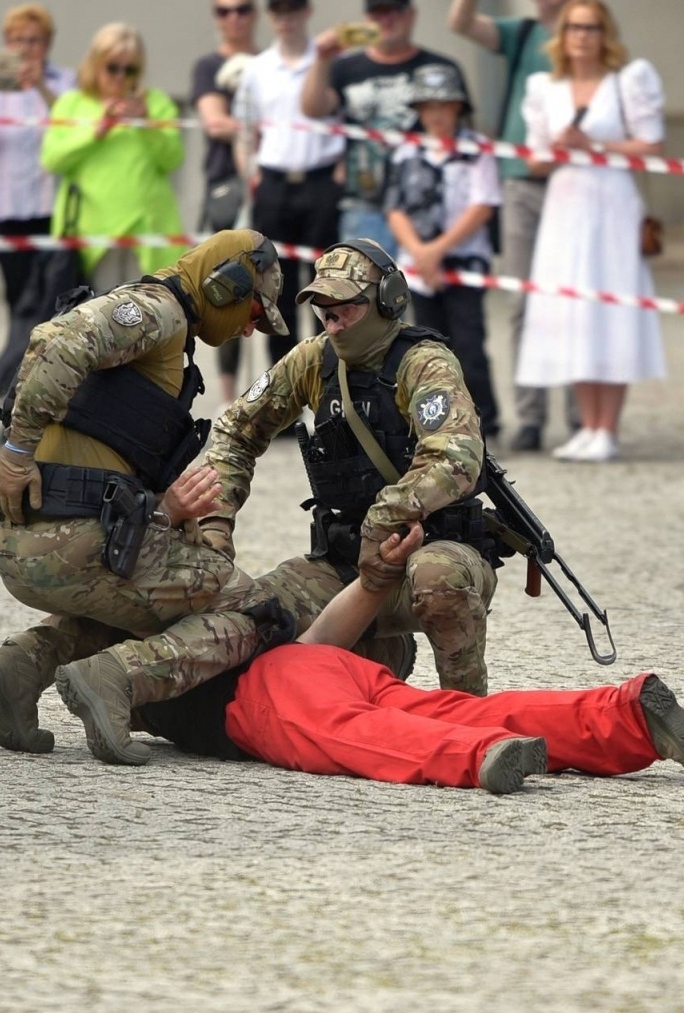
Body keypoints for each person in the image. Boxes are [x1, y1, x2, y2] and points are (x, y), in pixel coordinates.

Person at [0, 230, 292, 765]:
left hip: (26, 545)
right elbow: (58, 340)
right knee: (255, 609)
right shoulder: (157, 311)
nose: (250, 328)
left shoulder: (166, 333)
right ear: (226, 285)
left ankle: (20, 667)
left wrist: (166, 510)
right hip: (73, 545)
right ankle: (118, 679)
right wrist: (16, 454)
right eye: (255, 311)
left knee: (145, 595)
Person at [135, 521, 684, 794]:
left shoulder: (135, 665)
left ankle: (480, 755)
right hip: (318, 661)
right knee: (457, 709)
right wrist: (374, 580)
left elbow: (101, 667)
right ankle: (624, 714)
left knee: (355, 736)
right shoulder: (189, 627)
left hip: (266, 695)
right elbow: (314, 644)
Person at [204, 239, 499, 695]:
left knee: (438, 580)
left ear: (388, 302)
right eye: (324, 309)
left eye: (347, 307)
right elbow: (235, 432)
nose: (333, 320)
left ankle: (467, 709)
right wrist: (215, 522)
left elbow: (456, 457)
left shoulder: (424, 363)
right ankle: (378, 659)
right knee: (256, 610)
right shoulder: (313, 359)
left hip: (433, 548)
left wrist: (384, 519)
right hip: (346, 563)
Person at [518, 0, 665, 463]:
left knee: (612, 306)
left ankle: (608, 428)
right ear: (562, 35)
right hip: (566, 205)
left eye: (591, 28)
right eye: (574, 27)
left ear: (605, 34)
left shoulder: (627, 80)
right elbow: (535, 160)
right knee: (574, 310)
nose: (582, 36)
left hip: (612, 203)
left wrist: (594, 144)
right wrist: (558, 149)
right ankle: (586, 425)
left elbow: (651, 145)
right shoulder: (545, 87)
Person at [448, 0, 579, 453]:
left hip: (574, 180)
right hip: (521, 180)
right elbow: (461, 23)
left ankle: (581, 416)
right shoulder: (521, 31)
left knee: (575, 300)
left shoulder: (586, 29)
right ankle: (530, 416)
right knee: (524, 302)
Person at [0, 3, 76, 403]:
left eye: (34, 40)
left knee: (54, 304)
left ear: (48, 44)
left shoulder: (66, 82)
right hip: (10, 211)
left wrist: (40, 86)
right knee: (17, 303)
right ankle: (19, 383)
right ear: (6, 43)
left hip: (53, 211)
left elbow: (72, 126)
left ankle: (51, 385)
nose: (26, 48)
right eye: (18, 40)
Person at [301, 0, 465, 255]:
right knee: (364, 283)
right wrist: (322, 59)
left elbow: (464, 137)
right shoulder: (346, 67)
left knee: (417, 284)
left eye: (393, 11)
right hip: (366, 205)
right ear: (366, 19)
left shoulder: (440, 69)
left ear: (411, 15)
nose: (385, 20)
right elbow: (313, 109)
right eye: (377, 12)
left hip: (426, 205)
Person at [385, 63, 502, 439]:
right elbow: (394, 208)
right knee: (427, 345)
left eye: (444, 105)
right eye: (428, 106)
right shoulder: (406, 151)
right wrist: (420, 252)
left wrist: (437, 250)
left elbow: (482, 206)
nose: (436, 114)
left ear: (458, 107)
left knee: (469, 343)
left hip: (464, 261)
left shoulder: (475, 150)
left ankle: (483, 420)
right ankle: (435, 420)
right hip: (419, 265)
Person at [234, 0, 345, 367]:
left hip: (320, 180)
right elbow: (245, 131)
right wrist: (250, 175)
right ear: (270, 16)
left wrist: (340, 173)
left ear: (306, 11)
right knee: (275, 287)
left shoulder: (328, 59)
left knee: (327, 285)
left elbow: (345, 121)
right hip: (275, 182)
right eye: (278, 11)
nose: (286, 18)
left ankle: (328, 374)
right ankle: (285, 380)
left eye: (292, 9)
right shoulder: (257, 69)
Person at [41, 23, 183, 290]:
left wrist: (146, 123)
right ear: (95, 63)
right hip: (91, 237)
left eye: (130, 70)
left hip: (147, 233)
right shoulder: (71, 104)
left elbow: (173, 159)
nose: (120, 76)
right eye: (112, 67)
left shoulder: (156, 103)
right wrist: (95, 131)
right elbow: (52, 160)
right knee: (102, 313)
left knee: (149, 312)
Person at [192, 0, 260, 405]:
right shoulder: (208, 66)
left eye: (241, 9)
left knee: (281, 289)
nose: (234, 18)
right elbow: (214, 122)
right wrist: (251, 123)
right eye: (224, 10)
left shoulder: (270, 64)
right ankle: (230, 399)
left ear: (254, 13)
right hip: (226, 185)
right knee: (228, 289)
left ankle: (288, 393)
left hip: (267, 181)